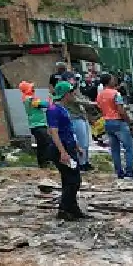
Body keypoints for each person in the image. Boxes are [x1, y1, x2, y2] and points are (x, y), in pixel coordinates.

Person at [45, 82, 87, 221]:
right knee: (73, 180)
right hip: (60, 149)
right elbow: (54, 132)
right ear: (65, 94)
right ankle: (64, 208)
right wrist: (63, 152)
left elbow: (67, 131)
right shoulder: (53, 109)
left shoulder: (63, 109)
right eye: (71, 92)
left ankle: (72, 208)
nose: (73, 95)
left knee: (69, 179)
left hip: (68, 146)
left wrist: (76, 146)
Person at [97, 73, 133, 179]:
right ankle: (129, 171)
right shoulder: (116, 93)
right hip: (118, 122)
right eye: (113, 79)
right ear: (109, 81)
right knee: (129, 147)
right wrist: (130, 122)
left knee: (115, 149)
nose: (114, 80)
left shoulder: (100, 95)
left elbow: (100, 108)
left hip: (107, 122)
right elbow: (121, 110)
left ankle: (119, 171)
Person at [61, 82, 94, 173]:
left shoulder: (76, 95)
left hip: (81, 119)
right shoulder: (70, 97)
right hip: (76, 119)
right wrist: (94, 103)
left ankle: (85, 162)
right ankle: (81, 163)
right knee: (81, 142)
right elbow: (83, 102)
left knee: (86, 143)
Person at [20, 81, 53, 168]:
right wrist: (50, 101)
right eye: (32, 88)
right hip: (38, 125)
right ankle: (45, 162)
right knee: (45, 143)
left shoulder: (26, 99)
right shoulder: (30, 99)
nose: (33, 89)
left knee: (42, 144)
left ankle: (43, 162)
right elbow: (44, 104)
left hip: (35, 125)